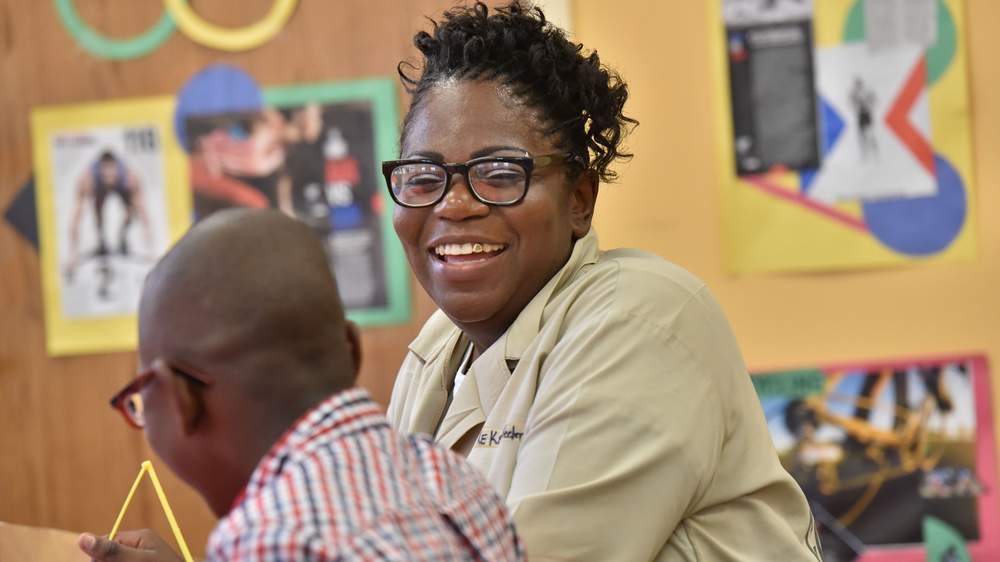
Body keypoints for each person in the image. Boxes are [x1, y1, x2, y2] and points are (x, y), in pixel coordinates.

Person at [384, 2, 823, 560]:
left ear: (580, 200)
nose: (455, 204)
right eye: (424, 177)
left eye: (500, 174)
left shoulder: (641, 320)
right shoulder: (436, 352)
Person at [78, 209, 522, 561]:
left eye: (138, 399)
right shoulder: (451, 478)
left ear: (180, 401)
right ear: (351, 349)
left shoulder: (273, 538)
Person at [65, 150, 155, 290]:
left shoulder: (131, 178)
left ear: (117, 170)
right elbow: (76, 218)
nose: (109, 176)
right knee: (97, 212)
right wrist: (73, 256)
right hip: (98, 189)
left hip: (123, 189)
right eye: (106, 173)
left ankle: (122, 236)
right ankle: (102, 241)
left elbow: (144, 216)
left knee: (133, 211)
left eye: (112, 172)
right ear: (100, 171)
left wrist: (150, 252)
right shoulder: (87, 180)